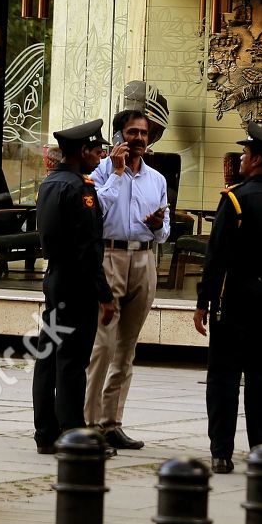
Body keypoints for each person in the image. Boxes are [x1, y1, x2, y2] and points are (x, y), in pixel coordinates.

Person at [193, 123, 262, 474]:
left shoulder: (236, 199)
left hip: (237, 295)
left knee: (224, 375)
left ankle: (222, 451)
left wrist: (203, 302)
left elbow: (217, 256)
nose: (241, 158)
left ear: (256, 159)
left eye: (245, 153)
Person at [85, 108, 170, 451]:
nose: (138, 139)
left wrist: (156, 225)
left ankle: (112, 422)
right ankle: (89, 424)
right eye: (132, 132)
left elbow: (164, 233)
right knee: (102, 345)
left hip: (144, 258)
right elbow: (96, 214)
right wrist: (117, 175)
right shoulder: (99, 172)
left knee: (127, 348)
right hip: (110, 256)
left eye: (144, 134)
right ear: (119, 135)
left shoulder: (157, 180)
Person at [31, 119, 117, 455]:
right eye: (97, 151)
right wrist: (104, 295)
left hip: (55, 277)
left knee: (48, 356)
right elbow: (87, 249)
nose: (100, 156)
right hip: (77, 283)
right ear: (82, 151)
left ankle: (45, 433)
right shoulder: (80, 190)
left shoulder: (51, 184)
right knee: (72, 360)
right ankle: (73, 434)